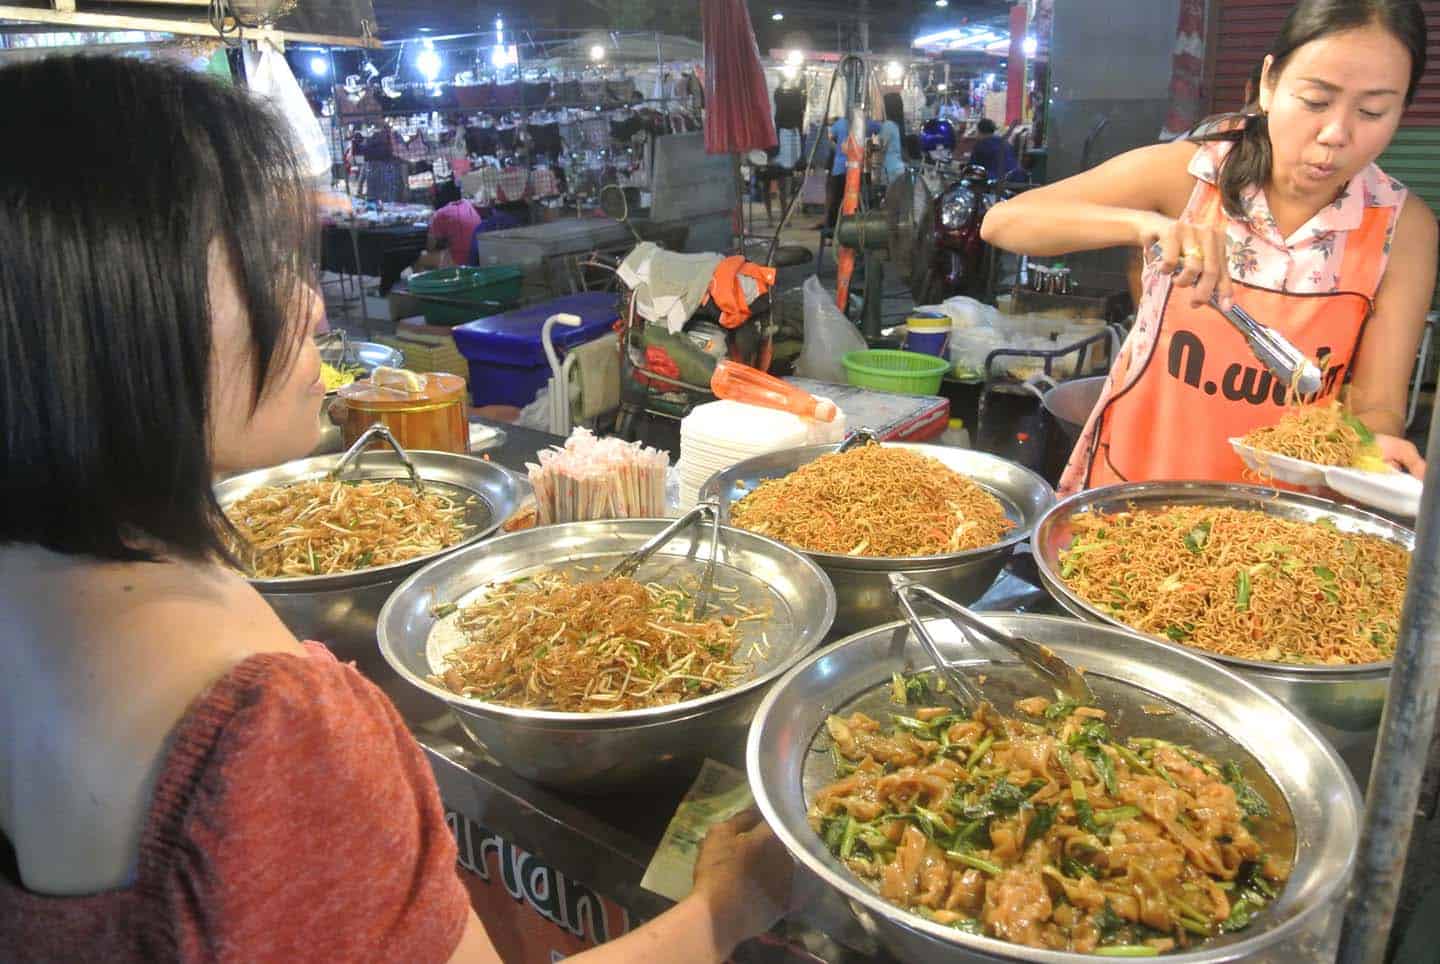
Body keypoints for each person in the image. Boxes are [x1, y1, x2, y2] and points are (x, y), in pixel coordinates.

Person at [0, 55, 796, 963]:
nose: (310, 311)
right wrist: (725, 910)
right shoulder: (276, 727)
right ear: (109, 308)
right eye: (261, 264)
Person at [982, 0, 1433, 494]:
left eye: (1372, 111)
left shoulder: (1402, 227)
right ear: (1268, 83)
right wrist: (1147, 225)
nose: (1335, 134)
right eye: (1315, 101)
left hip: (1285, 527)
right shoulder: (1189, 176)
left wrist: (1375, 445)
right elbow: (1005, 223)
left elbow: (1378, 403)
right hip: (1135, 493)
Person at [416, 197, 482, 270]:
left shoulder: (440, 213)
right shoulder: (469, 206)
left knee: (419, 258)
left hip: (459, 261)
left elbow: (430, 247)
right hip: (478, 258)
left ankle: (424, 280)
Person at [969, 117, 1019, 182]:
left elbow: (973, 166)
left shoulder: (981, 145)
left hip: (995, 180)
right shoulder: (1005, 142)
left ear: (979, 131)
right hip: (1014, 177)